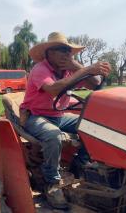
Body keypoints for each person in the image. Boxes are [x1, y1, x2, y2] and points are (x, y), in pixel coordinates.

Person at [19, 32, 111, 209]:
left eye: (68, 50)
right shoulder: (40, 69)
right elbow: (53, 89)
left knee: (92, 126)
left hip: (58, 116)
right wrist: (85, 70)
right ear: (49, 53)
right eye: (61, 50)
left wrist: (78, 66)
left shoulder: (70, 70)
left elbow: (95, 84)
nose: (66, 54)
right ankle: (51, 182)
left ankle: (80, 163)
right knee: (54, 136)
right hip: (35, 116)